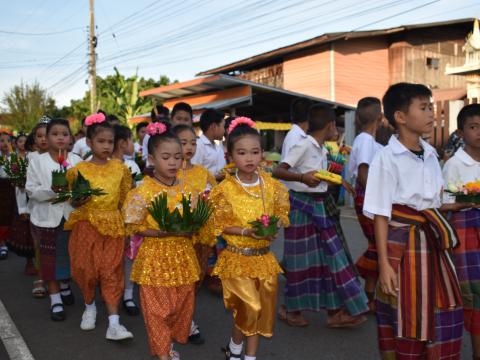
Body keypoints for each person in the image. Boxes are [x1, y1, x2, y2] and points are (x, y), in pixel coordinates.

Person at [364, 83, 464, 359]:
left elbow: (434, 201)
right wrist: (384, 265)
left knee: (442, 309)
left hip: (433, 245)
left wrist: (464, 201)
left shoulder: (430, 154)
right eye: (424, 108)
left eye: (431, 107)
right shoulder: (386, 158)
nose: (432, 114)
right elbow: (381, 215)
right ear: (401, 117)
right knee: (405, 312)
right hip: (404, 249)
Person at [273, 105, 368, 328]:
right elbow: (278, 170)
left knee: (330, 260)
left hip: (319, 207)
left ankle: (335, 312)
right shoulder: (304, 144)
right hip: (301, 208)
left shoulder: (320, 147)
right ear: (329, 126)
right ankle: (290, 310)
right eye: (336, 124)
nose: (337, 129)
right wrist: (302, 178)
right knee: (300, 263)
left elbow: (319, 172)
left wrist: (339, 180)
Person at [209, 117, 290, 360]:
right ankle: (244, 355)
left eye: (255, 152)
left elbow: (280, 214)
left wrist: (273, 227)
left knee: (256, 311)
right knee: (250, 308)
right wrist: (245, 232)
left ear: (262, 153)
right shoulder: (225, 189)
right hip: (236, 260)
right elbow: (220, 225)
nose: (249, 158)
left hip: (263, 260)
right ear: (230, 154)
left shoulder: (272, 186)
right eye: (242, 153)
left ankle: (238, 351)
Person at [123, 122, 201, 360]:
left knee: (180, 306)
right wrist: (159, 233)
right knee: (157, 310)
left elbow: (197, 222)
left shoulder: (190, 190)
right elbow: (133, 224)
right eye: (165, 157)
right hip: (155, 257)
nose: (173, 162)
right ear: (151, 159)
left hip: (183, 258)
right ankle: (163, 352)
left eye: (177, 157)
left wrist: (191, 228)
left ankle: (169, 341)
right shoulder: (143, 190)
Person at [65, 113, 133, 340]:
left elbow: (124, 199)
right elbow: (72, 200)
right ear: (89, 142)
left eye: (110, 142)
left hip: (113, 226)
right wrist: (78, 200)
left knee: (111, 271)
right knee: (86, 270)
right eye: (101, 141)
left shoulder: (120, 169)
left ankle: (114, 323)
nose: (106, 146)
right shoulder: (78, 170)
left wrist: (127, 224)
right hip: (86, 225)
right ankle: (90, 305)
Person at [26, 118, 82, 321]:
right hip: (46, 219)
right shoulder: (37, 162)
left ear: (70, 138)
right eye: (55, 134)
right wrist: (52, 191)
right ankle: (55, 298)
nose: (60, 138)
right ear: (46, 138)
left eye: (64, 134)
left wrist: (80, 196)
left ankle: (66, 285)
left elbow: (83, 188)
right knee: (49, 259)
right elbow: (31, 190)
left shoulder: (77, 161)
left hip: (71, 218)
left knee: (69, 256)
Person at [443, 104, 480, 359]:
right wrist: (468, 199)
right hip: (466, 231)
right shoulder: (455, 164)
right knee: (474, 295)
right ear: (461, 132)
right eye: (474, 127)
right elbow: (444, 201)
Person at [174, 124, 216, 346]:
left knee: (194, 280)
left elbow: (214, 199)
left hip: (199, 236)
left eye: (193, 142)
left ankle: (184, 316)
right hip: (175, 237)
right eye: (183, 142)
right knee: (180, 280)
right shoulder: (167, 173)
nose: (189, 147)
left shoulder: (202, 173)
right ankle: (185, 321)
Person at [347, 97, 383, 311]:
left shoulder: (365, 140)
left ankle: (371, 298)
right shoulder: (367, 141)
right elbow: (363, 174)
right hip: (368, 197)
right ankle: (359, 283)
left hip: (366, 197)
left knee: (377, 246)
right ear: (380, 117)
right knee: (378, 246)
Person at [111, 124, 142, 317]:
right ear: (123, 143)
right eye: (131, 140)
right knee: (111, 261)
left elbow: (139, 191)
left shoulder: (132, 166)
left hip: (129, 222)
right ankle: (113, 293)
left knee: (129, 259)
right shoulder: (101, 166)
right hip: (109, 222)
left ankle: (128, 295)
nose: (133, 144)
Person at [7, 132, 36, 275]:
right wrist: (22, 207)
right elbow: (19, 186)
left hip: (42, 200)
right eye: (20, 141)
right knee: (27, 234)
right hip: (26, 197)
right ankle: (30, 262)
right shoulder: (16, 160)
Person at [191, 109, 226, 181]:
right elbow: (193, 174)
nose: (224, 130)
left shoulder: (218, 146)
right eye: (223, 126)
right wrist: (215, 177)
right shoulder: (198, 146)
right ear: (213, 126)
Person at [0, 131, 14, 260]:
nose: (5, 143)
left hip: (11, 189)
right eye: (2, 140)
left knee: (9, 216)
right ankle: (2, 243)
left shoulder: (14, 158)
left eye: (8, 141)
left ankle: (7, 240)